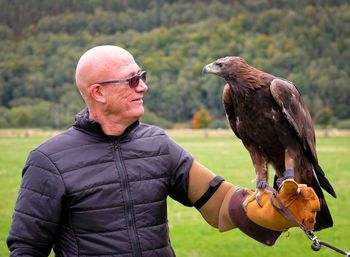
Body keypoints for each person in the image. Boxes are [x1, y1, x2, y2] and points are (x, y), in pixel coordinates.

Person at [7, 45, 320, 257]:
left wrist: (267, 208)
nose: (142, 86)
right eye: (131, 81)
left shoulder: (158, 145)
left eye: (141, 77)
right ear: (98, 92)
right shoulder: (49, 161)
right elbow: (26, 249)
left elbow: (220, 202)